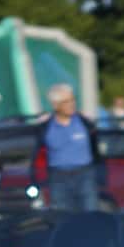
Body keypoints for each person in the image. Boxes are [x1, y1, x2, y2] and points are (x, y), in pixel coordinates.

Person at [37, 84, 100, 212]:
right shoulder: (45, 126)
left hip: (85, 175)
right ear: (55, 105)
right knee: (62, 216)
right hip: (58, 177)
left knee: (90, 213)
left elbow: (96, 146)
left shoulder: (84, 122)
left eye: (72, 99)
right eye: (66, 101)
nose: (72, 104)